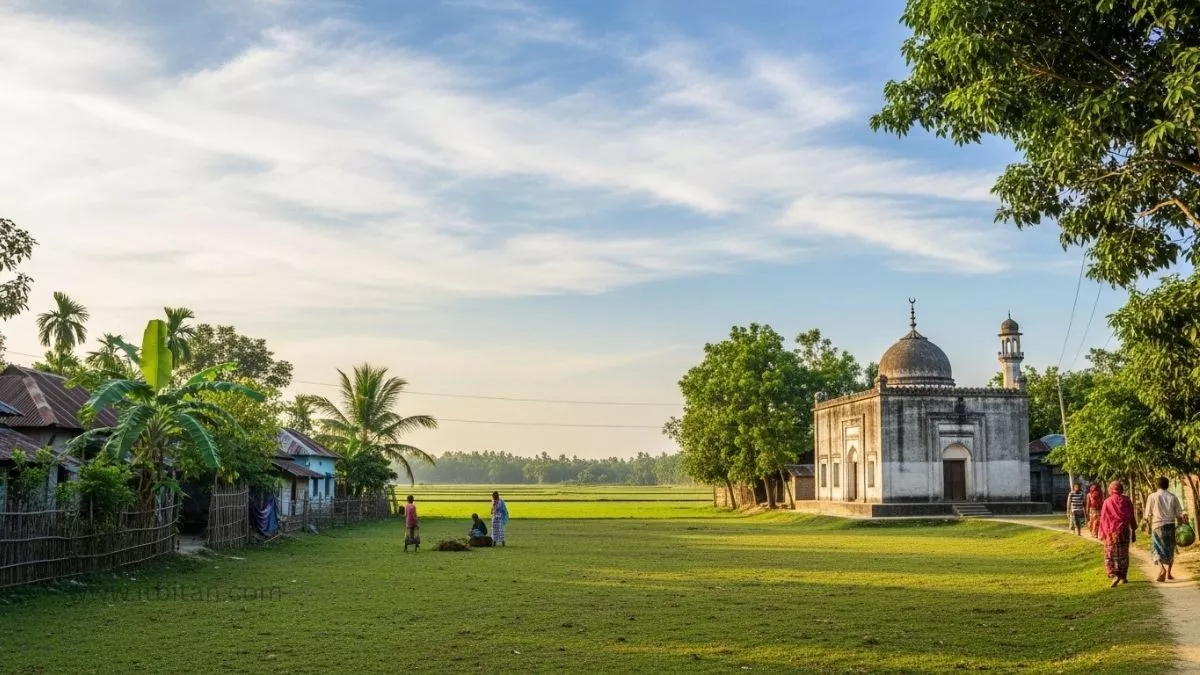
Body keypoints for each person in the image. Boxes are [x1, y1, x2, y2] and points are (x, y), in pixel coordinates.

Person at [1144, 476, 1188, 583]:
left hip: (1157, 526)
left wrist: (1147, 523)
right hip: (1171, 525)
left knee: (1156, 548)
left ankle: (1162, 569)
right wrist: (1182, 522)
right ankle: (1169, 573)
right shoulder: (1173, 497)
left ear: (1156, 485)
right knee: (1170, 548)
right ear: (1167, 485)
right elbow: (1179, 513)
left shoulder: (1152, 496)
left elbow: (1148, 514)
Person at [1097, 481, 1135, 588]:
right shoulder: (1127, 500)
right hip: (1124, 531)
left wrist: (1101, 532)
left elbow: (1103, 518)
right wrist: (1134, 530)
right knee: (1123, 554)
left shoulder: (1107, 502)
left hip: (1110, 533)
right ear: (1121, 489)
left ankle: (1114, 575)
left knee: (1110, 554)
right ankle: (1123, 576)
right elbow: (1131, 516)